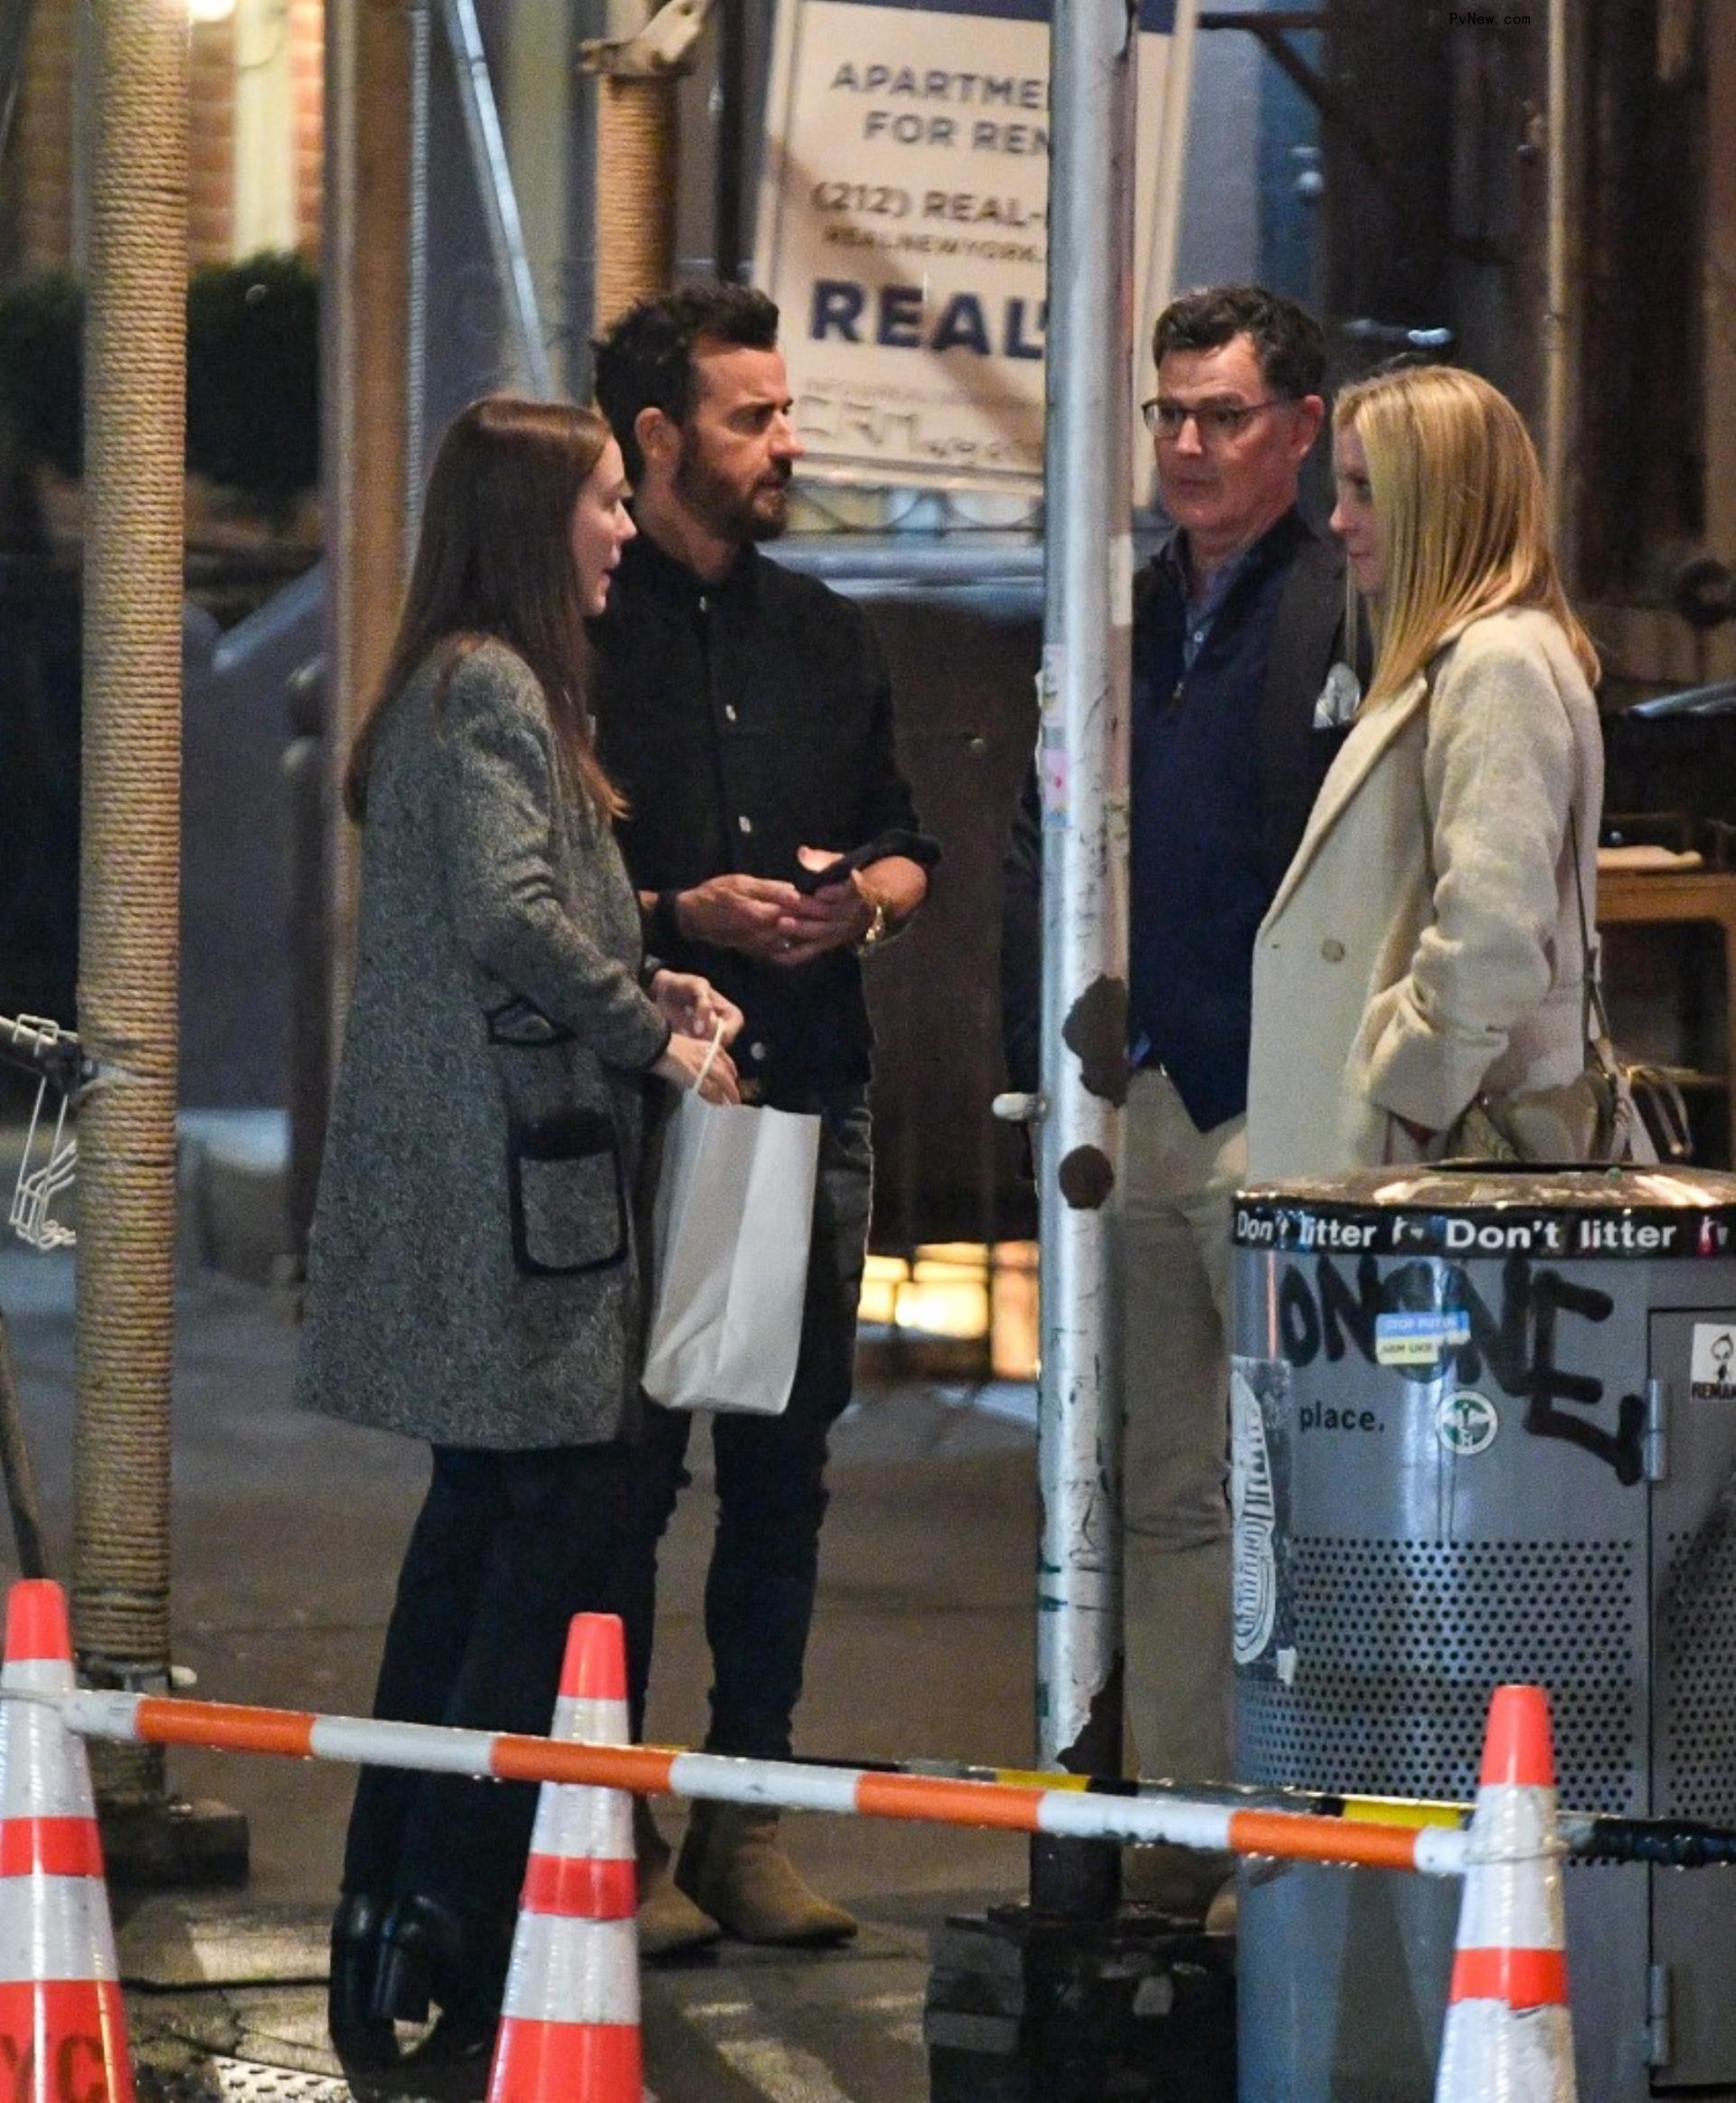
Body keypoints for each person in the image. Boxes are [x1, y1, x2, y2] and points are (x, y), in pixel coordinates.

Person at [298, 395, 742, 2082]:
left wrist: (649, 962)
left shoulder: (454, 686)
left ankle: (392, 1913)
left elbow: (525, 905)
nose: (629, 529)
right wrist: (656, 1035)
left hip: (488, 1193)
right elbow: (506, 912)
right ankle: (453, 1927)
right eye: (612, 502)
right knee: (535, 1551)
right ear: (533, 518)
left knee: (471, 1542)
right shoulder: (492, 682)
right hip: (514, 1208)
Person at [590, 282, 939, 1952]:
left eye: (787, 411)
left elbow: (905, 837)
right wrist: (680, 910)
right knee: (626, 1476)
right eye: (753, 416)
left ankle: (748, 1818)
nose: (786, 441)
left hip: (807, 1090)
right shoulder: (583, 624)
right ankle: (615, 1825)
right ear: (659, 439)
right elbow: (556, 883)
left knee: (784, 1472)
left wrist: (855, 906)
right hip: (654, 1109)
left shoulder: (825, 628)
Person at [1002, 285, 1356, 1915]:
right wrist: (1056, 1033)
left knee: (1301, 1474)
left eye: (1223, 415)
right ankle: (1185, 1822)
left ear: (1301, 427)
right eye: (1170, 415)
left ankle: (1298, 1830)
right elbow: (1041, 825)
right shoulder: (1125, 607)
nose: (1191, 444)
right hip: (1135, 1090)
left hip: (1280, 1090)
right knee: (1157, 1488)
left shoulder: (1343, 603)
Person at [1247, 363, 1603, 1178]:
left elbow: (1493, 938)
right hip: (1429, 1149)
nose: (1338, 520)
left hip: (1447, 1156)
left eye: (1366, 489)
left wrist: (1401, 1093)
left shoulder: (1496, 663)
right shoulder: (1465, 656)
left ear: (1438, 502)